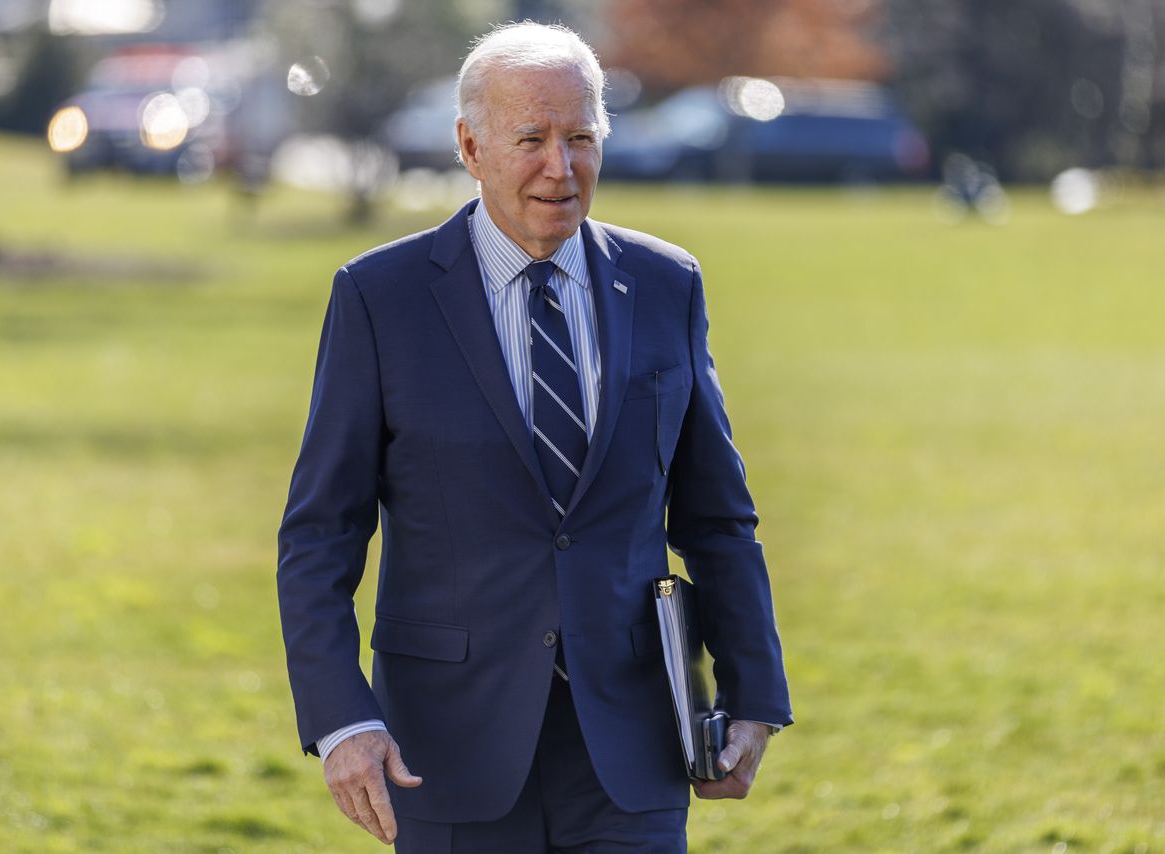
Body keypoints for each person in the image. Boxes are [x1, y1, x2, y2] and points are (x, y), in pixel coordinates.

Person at [276, 22, 792, 853]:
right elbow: (319, 535)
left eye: (581, 137)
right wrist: (342, 720)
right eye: (531, 139)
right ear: (469, 146)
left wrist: (755, 693)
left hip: (633, 751)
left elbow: (717, 518)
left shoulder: (666, 285)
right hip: (444, 754)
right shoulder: (381, 298)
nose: (561, 166)